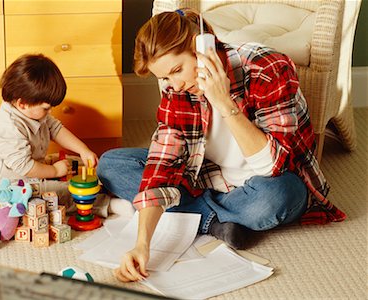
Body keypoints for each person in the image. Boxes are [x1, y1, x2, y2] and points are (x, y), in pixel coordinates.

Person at [96, 9, 346, 282]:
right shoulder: (177, 89)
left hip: (269, 181)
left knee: (275, 199)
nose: (174, 85)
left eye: (177, 70)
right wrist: (142, 244)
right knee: (112, 165)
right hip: (208, 175)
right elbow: (162, 163)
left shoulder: (268, 67)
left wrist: (224, 102)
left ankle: (195, 214)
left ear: (203, 47)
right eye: (164, 78)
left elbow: (272, 165)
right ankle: (215, 222)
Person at [0, 53, 98, 205]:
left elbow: (55, 128)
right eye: (46, 108)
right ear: (22, 104)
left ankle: (100, 183)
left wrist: (83, 149)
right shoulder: (8, 129)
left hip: (33, 166)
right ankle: (103, 203)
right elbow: (25, 167)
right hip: (13, 184)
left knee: (75, 162)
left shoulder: (30, 110)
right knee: (60, 193)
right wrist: (55, 171)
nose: (49, 113)